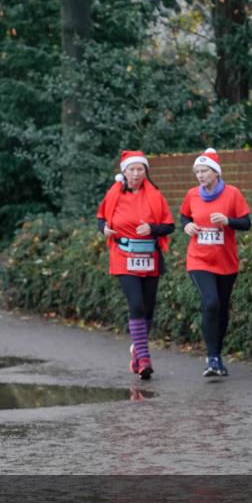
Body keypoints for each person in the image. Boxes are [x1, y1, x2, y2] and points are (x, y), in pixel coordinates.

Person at [96, 151, 174, 380]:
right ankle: (144, 358)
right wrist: (104, 229)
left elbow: (169, 226)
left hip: (149, 256)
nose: (137, 173)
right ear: (124, 171)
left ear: (145, 171)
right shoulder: (114, 194)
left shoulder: (155, 195)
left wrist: (152, 228)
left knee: (148, 308)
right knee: (137, 305)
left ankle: (136, 351)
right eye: (132, 169)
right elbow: (101, 219)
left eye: (141, 169)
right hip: (123, 255)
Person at [181, 148, 251, 377]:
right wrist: (187, 226)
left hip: (226, 261)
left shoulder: (232, 194)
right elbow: (184, 216)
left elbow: (246, 223)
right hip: (199, 259)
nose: (200, 176)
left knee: (221, 308)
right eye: (197, 172)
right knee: (211, 303)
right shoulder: (192, 194)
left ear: (216, 173)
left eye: (204, 171)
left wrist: (228, 220)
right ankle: (211, 358)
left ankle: (218, 356)